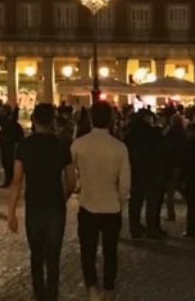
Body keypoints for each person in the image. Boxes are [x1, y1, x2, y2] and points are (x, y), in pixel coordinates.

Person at [7, 103, 71, 301]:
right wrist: (64, 195)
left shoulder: (24, 146)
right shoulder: (61, 145)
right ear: (53, 121)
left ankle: (38, 293)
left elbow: (16, 181)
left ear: (34, 120)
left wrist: (11, 212)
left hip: (34, 204)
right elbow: (72, 179)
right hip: (55, 205)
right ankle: (52, 294)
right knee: (53, 254)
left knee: (36, 253)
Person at [72, 102, 130, 301]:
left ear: (90, 119)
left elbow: (71, 174)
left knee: (87, 250)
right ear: (111, 120)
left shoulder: (79, 144)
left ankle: (92, 288)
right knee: (110, 250)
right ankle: (109, 287)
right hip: (111, 205)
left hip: (88, 203)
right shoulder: (119, 147)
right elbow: (125, 183)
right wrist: (120, 201)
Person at [125, 107, 165, 239]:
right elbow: (160, 150)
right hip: (152, 170)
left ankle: (134, 227)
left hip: (136, 170)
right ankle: (152, 228)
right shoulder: (152, 132)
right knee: (152, 201)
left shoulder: (130, 133)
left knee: (136, 200)